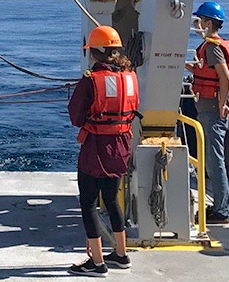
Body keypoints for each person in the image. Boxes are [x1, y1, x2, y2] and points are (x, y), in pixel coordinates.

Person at [67, 26, 139, 277]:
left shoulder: (90, 80)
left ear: (95, 52)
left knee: (88, 203)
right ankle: (121, 254)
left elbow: (76, 116)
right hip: (121, 146)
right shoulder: (130, 76)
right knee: (111, 200)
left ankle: (96, 263)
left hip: (96, 148)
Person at [186, 1, 229, 225]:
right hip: (207, 108)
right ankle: (219, 206)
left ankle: (222, 210)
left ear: (208, 22)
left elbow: (225, 79)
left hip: (212, 109)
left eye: (199, 21)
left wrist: (222, 104)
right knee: (212, 159)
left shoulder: (213, 47)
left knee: (215, 161)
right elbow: (204, 70)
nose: (197, 25)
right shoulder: (208, 46)